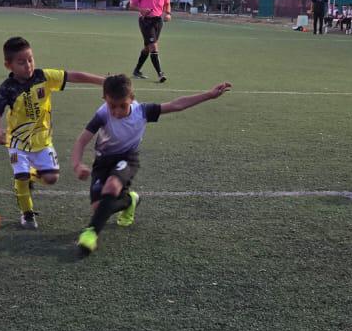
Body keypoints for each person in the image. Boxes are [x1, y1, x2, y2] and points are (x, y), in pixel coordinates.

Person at [70, 75, 231, 256]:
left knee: (111, 187)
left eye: (122, 106)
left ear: (132, 98)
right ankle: (130, 201)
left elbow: (176, 105)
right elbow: (81, 141)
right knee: (99, 208)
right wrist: (77, 165)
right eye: (111, 106)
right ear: (104, 99)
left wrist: (209, 95)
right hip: (103, 162)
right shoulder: (102, 114)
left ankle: (91, 233)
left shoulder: (142, 111)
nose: (116, 111)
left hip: (127, 158)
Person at [0, 36, 104, 230]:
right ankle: (27, 213)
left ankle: (30, 177)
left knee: (51, 178)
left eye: (30, 59)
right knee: (21, 176)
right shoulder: (7, 88)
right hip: (17, 143)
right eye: (21, 62)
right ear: (8, 65)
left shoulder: (44, 77)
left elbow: (74, 76)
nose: (28, 65)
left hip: (43, 142)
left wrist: (103, 81)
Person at [128, 0, 172, 82]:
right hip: (145, 21)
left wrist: (168, 14)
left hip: (158, 21)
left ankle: (137, 70)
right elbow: (131, 5)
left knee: (148, 47)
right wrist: (141, 10)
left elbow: (167, 4)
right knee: (153, 46)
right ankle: (160, 74)